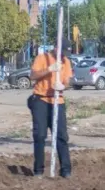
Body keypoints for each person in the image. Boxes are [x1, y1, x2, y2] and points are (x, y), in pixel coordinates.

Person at [28, 48, 74, 178]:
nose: (64, 56)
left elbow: (68, 81)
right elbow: (32, 76)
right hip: (41, 100)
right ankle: (38, 170)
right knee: (40, 135)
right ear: (56, 48)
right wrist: (49, 69)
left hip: (57, 101)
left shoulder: (66, 62)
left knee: (61, 136)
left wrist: (63, 86)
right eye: (63, 52)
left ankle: (66, 170)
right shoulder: (42, 58)